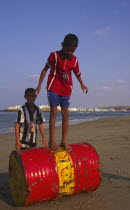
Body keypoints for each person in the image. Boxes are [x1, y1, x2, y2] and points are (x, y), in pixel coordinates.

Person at [35, 34, 88, 152]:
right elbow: (44, 70)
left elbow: (77, 73)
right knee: (53, 112)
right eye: (68, 50)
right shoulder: (54, 56)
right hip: (53, 87)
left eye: (72, 51)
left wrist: (82, 84)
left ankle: (64, 140)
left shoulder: (74, 60)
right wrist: (39, 86)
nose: (70, 53)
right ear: (62, 45)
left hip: (66, 89)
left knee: (65, 114)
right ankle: (52, 140)